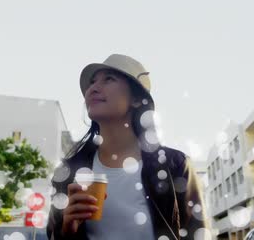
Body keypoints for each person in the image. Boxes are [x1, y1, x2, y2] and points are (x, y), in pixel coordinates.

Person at [47, 54, 207, 240]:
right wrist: (67, 230)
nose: (93, 88)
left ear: (137, 100)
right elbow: (52, 235)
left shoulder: (175, 165)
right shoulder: (67, 172)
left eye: (109, 79)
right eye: (92, 82)